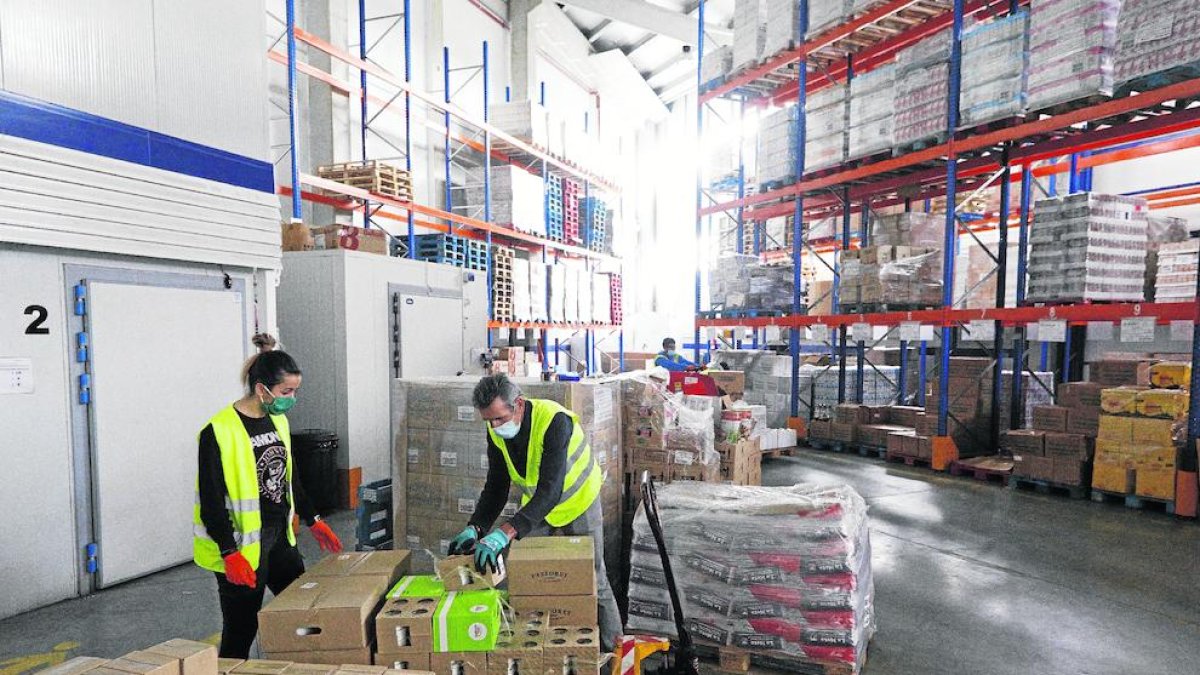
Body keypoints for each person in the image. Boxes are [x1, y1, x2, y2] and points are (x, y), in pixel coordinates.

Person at [449, 374, 622, 653]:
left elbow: (550, 491)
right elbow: (496, 486)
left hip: (577, 500)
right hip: (539, 506)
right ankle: (534, 651)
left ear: (518, 404)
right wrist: (476, 527)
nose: (494, 426)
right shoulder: (497, 432)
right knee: (528, 573)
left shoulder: (555, 421)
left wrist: (505, 532)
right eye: (488, 421)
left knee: (593, 577)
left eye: (499, 419)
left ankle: (615, 655)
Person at [194, 345, 342, 659]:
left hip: (279, 537)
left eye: (295, 390)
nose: (292, 398)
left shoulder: (279, 422)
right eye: (286, 390)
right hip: (243, 545)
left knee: (300, 607)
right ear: (262, 389)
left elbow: (291, 479)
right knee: (241, 627)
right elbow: (210, 502)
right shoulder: (218, 431)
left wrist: (313, 519)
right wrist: (228, 553)